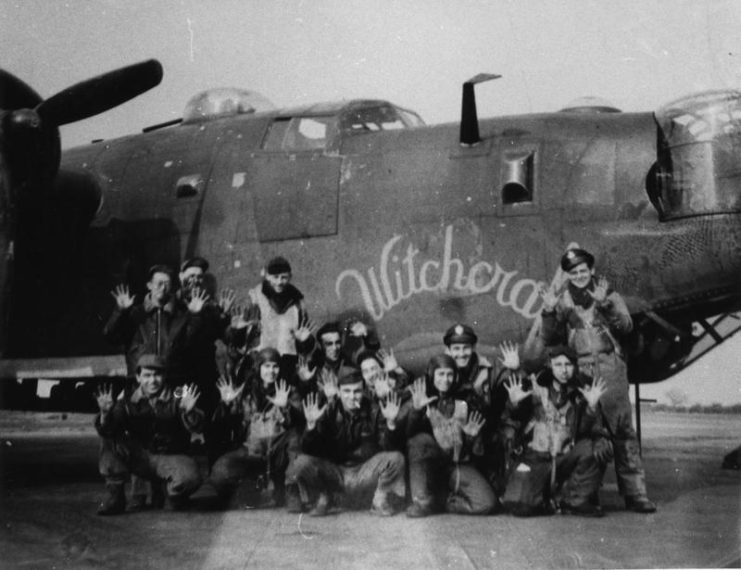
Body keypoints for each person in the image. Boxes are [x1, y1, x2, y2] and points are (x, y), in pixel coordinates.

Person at [539, 247, 657, 513]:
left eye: (583, 271)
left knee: (622, 430)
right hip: (580, 370)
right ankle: (586, 492)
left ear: (591, 270)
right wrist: (548, 312)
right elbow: (550, 339)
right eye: (573, 272)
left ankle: (635, 494)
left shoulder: (610, 295)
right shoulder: (561, 302)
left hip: (609, 368)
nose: (579, 276)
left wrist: (605, 304)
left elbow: (626, 327)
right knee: (584, 432)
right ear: (567, 275)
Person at [501, 345, 612, 517]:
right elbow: (517, 414)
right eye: (558, 365)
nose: (564, 370)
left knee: (591, 449)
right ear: (550, 366)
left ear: (574, 367)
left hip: (564, 457)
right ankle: (546, 500)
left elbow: (584, 429)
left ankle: (574, 501)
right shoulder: (536, 389)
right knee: (520, 505)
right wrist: (514, 402)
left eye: (568, 365)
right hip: (536, 456)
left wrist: (591, 408)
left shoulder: (581, 393)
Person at [284, 369, 406, 516]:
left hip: (365, 472)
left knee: (396, 458)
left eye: (357, 391)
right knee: (300, 462)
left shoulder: (375, 410)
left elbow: (388, 448)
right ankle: (324, 496)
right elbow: (311, 450)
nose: (352, 396)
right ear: (339, 392)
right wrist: (311, 427)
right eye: (346, 391)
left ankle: (379, 500)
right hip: (336, 473)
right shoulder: (328, 411)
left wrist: (391, 424)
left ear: (364, 391)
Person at [94, 354, 204, 515]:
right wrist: (105, 414)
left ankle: (172, 495)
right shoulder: (127, 398)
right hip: (140, 457)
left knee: (191, 477)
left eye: (157, 375)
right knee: (109, 437)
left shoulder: (177, 395)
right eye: (147, 375)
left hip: (169, 457)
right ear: (138, 377)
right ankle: (115, 496)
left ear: (164, 376)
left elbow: (197, 427)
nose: (153, 381)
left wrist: (190, 411)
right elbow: (110, 428)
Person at [209, 348, 303, 508]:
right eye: (266, 366)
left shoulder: (288, 390)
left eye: (275, 366)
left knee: (294, 438)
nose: (271, 371)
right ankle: (248, 491)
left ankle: (290, 487)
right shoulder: (245, 392)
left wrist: (286, 406)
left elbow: (301, 420)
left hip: (278, 453)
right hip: (251, 451)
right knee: (220, 474)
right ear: (258, 368)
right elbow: (223, 425)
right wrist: (226, 404)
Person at [405, 354, 497, 517]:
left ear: (455, 377)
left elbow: (476, 451)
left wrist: (471, 436)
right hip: (431, 467)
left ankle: (442, 502)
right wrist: (416, 411)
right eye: (440, 374)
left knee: (486, 503)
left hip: (456, 465)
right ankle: (422, 501)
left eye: (449, 374)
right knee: (419, 441)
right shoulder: (423, 399)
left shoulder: (465, 401)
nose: (445, 380)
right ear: (432, 376)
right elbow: (409, 437)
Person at [442, 324, 519, 495]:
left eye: (466, 348)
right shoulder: (443, 371)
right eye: (456, 348)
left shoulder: (491, 370)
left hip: (487, 431)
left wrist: (515, 370)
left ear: (474, 347)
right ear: (447, 350)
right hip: (459, 435)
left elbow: (517, 388)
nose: (461, 353)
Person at [244, 256, 314, 379]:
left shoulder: (297, 300)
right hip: (263, 361)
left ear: (290, 277)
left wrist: (304, 341)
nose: (279, 282)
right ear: (267, 276)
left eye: (284, 277)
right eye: (275, 277)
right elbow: (247, 335)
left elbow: (305, 337)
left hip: (288, 361)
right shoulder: (256, 297)